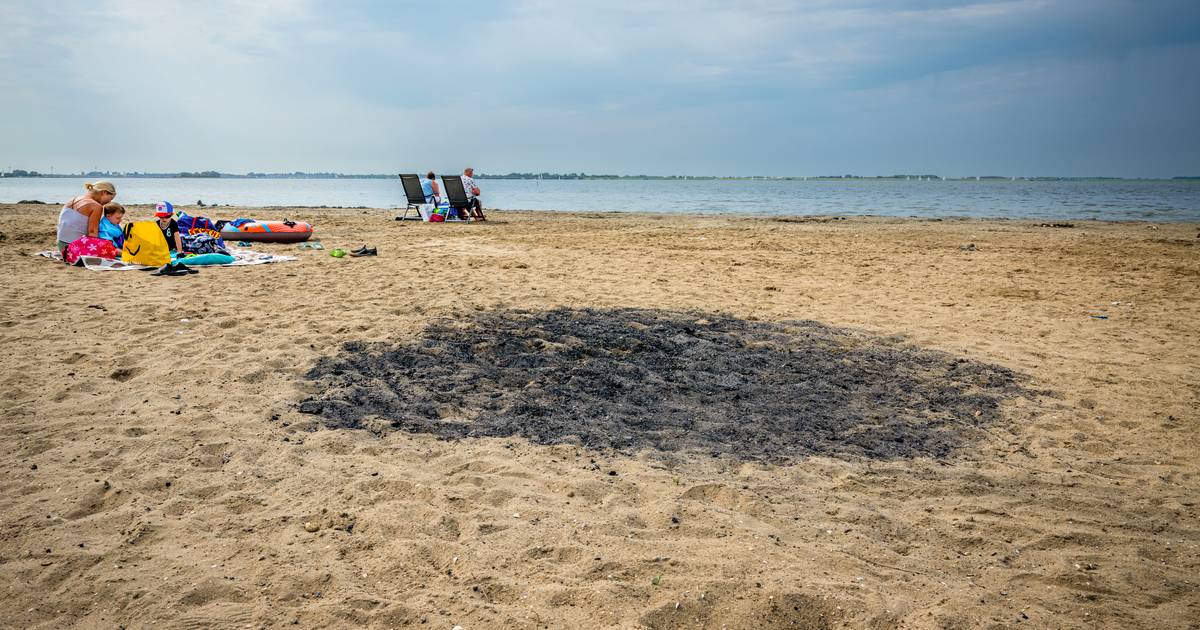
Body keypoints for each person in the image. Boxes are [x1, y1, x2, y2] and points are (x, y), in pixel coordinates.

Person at [57, 180, 115, 256]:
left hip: (61, 245)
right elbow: (92, 232)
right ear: (104, 192)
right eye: (110, 198)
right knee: (109, 245)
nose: (110, 202)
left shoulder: (74, 199)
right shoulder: (96, 206)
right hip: (73, 248)